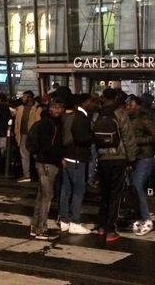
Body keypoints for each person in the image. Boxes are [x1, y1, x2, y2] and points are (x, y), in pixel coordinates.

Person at [94, 88, 137, 242]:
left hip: (102, 158)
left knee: (104, 193)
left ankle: (101, 226)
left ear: (103, 98)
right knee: (115, 195)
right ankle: (111, 230)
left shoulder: (97, 114)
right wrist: (131, 159)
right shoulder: (120, 114)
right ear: (116, 98)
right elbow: (128, 138)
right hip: (118, 158)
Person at [28, 97, 66, 240]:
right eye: (54, 107)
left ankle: (35, 226)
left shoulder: (47, 122)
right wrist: (59, 159)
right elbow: (49, 146)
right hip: (48, 163)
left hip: (42, 161)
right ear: (49, 108)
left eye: (59, 107)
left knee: (41, 196)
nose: (56, 110)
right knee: (47, 197)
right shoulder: (50, 123)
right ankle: (41, 229)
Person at [58, 93, 93, 235]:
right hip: (77, 157)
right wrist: (94, 136)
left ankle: (64, 220)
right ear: (84, 103)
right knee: (79, 190)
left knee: (66, 189)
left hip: (67, 156)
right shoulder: (81, 117)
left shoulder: (68, 116)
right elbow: (80, 138)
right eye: (90, 101)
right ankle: (75, 222)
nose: (92, 104)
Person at [126, 95, 155, 236]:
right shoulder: (128, 119)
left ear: (138, 106)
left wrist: (136, 140)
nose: (128, 107)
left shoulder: (145, 119)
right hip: (134, 157)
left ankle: (146, 217)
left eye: (131, 105)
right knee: (133, 186)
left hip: (145, 157)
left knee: (137, 184)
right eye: (127, 105)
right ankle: (139, 213)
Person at [14, 90, 43, 183]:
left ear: (30, 97)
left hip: (33, 136)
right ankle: (26, 175)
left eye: (24, 97)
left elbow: (38, 122)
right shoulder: (20, 108)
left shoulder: (38, 108)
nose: (22, 98)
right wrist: (16, 132)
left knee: (35, 155)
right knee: (24, 156)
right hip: (22, 134)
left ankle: (40, 173)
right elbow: (17, 122)